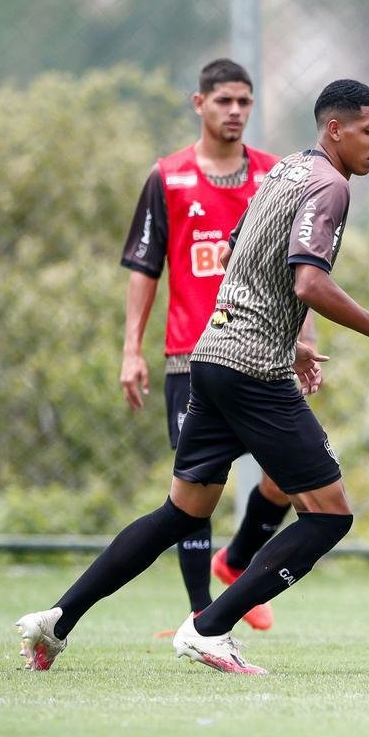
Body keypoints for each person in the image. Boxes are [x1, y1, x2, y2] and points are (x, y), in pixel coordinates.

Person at [15, 78, 369, 674]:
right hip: (252, 370)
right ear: (334, 130)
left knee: (181, 512)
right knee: (329, 514)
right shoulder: (331, 186)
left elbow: (240, 249)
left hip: (210, 357)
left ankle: (55, 621)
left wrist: (291, 339)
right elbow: (308, 281)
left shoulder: (287, 170)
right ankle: (209, 628)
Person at [120, 58, 310, 633]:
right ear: (198, 103)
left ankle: (238, 562)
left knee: (291, 477)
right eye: (223, 100)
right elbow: (144, 268)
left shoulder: (274, 176)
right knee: (195, 490)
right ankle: (202, 611)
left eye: (244, 102)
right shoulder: (169, 177)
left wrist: (304, 337)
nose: (234, 112)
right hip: (193, 357)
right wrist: (132, 350)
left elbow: (301, 268)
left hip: (263, 350)